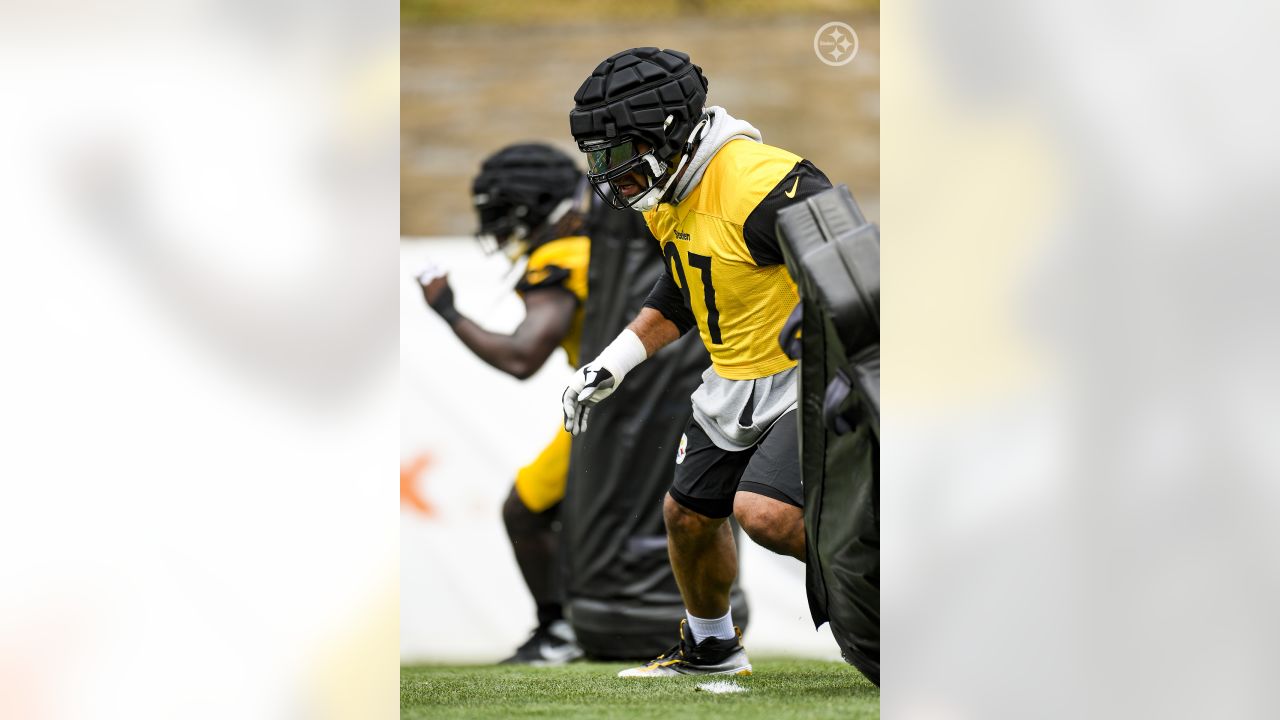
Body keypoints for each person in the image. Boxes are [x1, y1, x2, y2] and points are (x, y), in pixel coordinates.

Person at [562, 47, 833, 677]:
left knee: (766, 514)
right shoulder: (668, 192)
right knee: (687, 516)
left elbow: (848, 265)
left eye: (619, 155)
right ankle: (711, 648)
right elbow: (685, 287)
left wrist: (815, 318)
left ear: (669, 134)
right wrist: (616, 360)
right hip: (734, 381)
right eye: (600, 158)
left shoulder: (764, 180)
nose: (610, 175)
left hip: (809, 374)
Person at [416, 142, 593, 665]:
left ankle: (560, 631)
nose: (492, 227)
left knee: (525, 510)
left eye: (498, 213)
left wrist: (448, 311)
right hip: (645, 404)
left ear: (527, 208)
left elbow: (521, 357)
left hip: (615, 410)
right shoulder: (591, 243)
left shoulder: (561, 255)